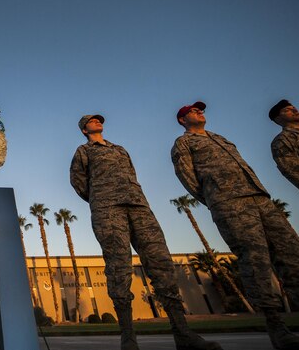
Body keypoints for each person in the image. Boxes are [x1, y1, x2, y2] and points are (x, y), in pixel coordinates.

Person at [70, 114, 221, 350]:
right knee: (119, 267)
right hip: (107, 209)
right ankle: (128, 337)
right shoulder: (83, 151)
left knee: (161, 262)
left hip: (139, 206)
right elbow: (79, 182)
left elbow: (131, 174)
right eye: (92, 121)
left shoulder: (120, 149)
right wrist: (100, 198)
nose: (98, 122)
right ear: (84, 129)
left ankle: (183, 334)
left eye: (99, 120)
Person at [172, 101, 299, 350]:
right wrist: (216, 198)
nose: (199, 112)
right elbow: (188, 178)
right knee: (254, 259)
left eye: (200, 109)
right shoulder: (184, 143)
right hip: (229, 203)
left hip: (260, 198)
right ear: (182, 120)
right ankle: (276, 326)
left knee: (296, 254)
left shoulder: (220, 138)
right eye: (192, 111)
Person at [269, 99, 299, 196]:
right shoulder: (282, 140)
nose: (295, 111)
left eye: (294, 108)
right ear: (278, 119)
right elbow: (292, 171)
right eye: (287, 110)